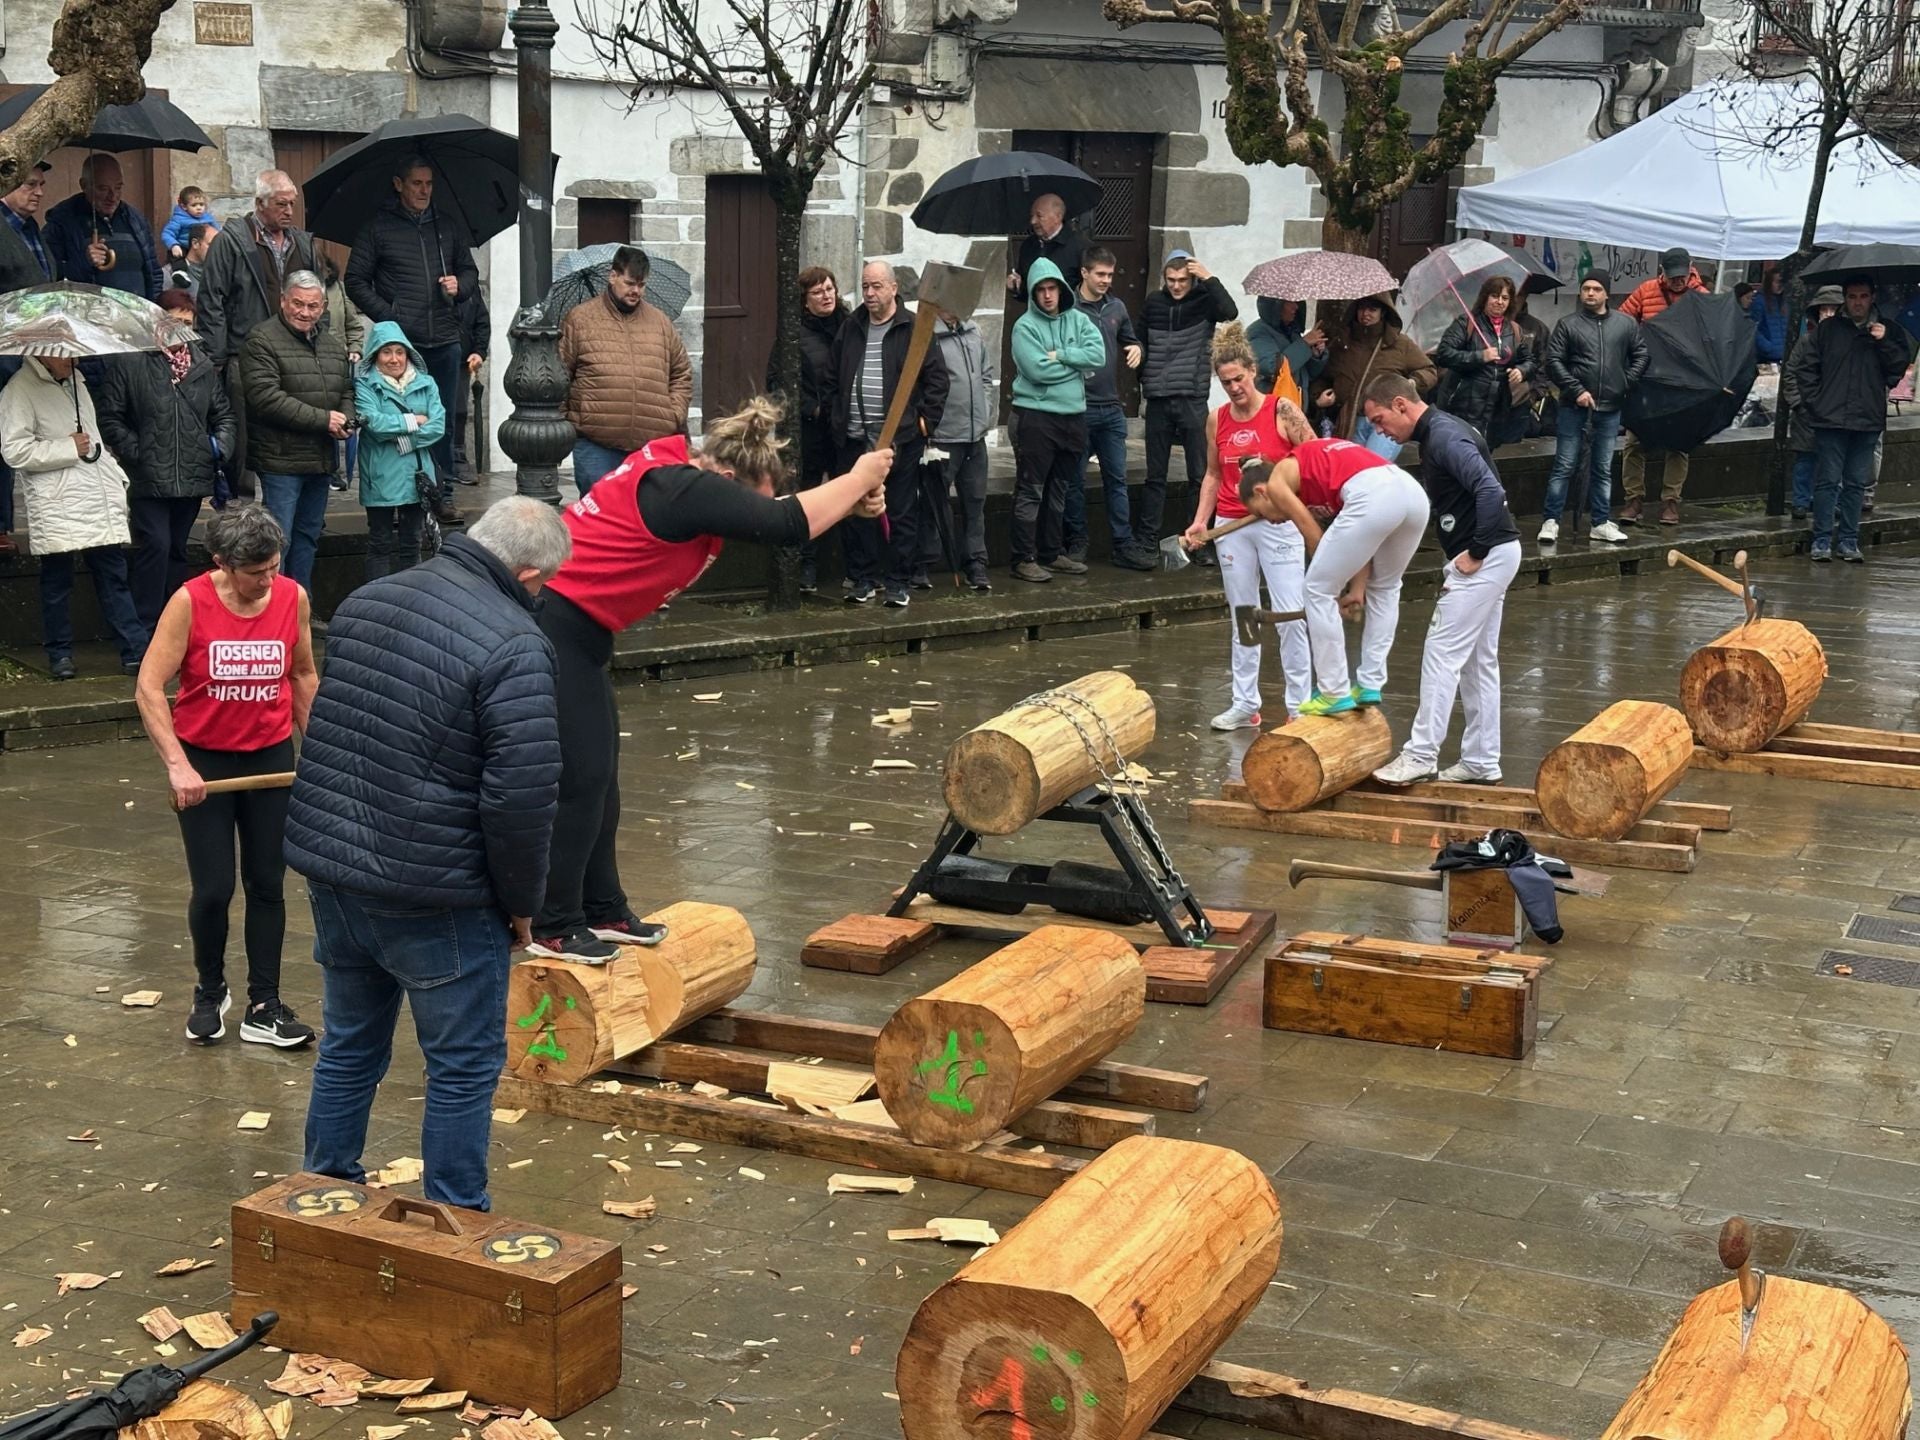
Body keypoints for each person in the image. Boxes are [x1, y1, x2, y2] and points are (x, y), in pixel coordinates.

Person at [530, 400, 894, 962]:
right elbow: (785, 525)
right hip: (550, 626)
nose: (748, 515)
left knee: (602, 780)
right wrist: (857, 478)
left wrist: (851, 505)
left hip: (581, 632)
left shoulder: (685, 475)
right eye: (751, 499)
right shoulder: (682, 487)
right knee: (581, 779)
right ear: (728, 481)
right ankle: (554, 923)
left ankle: (601, 907)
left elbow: (782, 517)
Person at [286, 496, 569, 1210]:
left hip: (337, 869)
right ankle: (455, 1220)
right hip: (437, 892)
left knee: (349, 1046)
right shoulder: (515, 642)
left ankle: (323, 1199)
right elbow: (522, 798)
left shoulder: (368, 599)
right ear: (530, 575)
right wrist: (523, 906)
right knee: (463, 1067)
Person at [133, 503, 317, 1048]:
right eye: (255, 572)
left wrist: (324, 752)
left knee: (268, 883)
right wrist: (177, 764)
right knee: (213, 889)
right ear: (223, 562)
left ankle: (265, 1003)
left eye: (273, 567)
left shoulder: (292, 597)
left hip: (269, 759)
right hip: (206, 763)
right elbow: (149, 687)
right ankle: (210, 990)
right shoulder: (189, 602)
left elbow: (303, 673)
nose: (267, 580)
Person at [1361, 374, 1524, 786]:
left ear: (1401, 404)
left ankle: (1420, 754)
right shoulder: (1444, 430)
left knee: (1441, 652)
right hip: (1498, 553)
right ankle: (1481, 759)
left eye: (1380, 420)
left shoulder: (1445, 437)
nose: (1380, 431)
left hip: (1485, 556)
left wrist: (1477, 550)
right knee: (1477, 661)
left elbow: (1490, 490)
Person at [1238, 433, 1425, 719]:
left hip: (1374, 495)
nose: (1272, 521)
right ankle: (1369, 685)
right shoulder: (1319, 476)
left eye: (1261, 514)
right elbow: (1356, 538)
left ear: (1262, 492)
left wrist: (1333, 588)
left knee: (1315, 589)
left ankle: (1333, 691)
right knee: (1385, 588)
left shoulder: (1277, 483)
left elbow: (1313, 537)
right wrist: (1357, 588)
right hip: (1411, 494)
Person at [1181, 323, 1312, 731]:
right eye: (1226, 382)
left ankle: (1299, 707)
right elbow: (1213, 475)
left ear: (1253, 372)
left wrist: (1288, 498)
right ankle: (1245, 702)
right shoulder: (1216, 419)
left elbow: (1313, 461)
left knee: (1290, 612)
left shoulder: (1282, 410)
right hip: (1232, 524)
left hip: (1278, 522)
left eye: (1239, 378)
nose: (1234, 388)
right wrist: (1201, 521)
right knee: (1244, 614)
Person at [345, 156, 479, 527]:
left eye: (429, 184)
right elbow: (355, 280)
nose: (424, 190)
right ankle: (405, 491)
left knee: (444, 420)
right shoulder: (378, 228)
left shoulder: (446, 228)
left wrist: (460, 285)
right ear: (399, 184)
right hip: (403, 345)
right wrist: (391, 316)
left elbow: (469, 271)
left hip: (445, 338)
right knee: (401, 419)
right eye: (417, 183)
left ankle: (443, 493)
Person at [0, 352, 149, 678]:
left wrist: (101, 458)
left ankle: (135, 651)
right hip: (57, 501)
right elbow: (15, 450)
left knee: (113, 577)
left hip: (92, 495)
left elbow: (89, 438)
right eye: (66, 355)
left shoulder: (76, 382)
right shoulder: (18, 389)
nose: (74, 359)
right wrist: (68, 448)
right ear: (44, 355)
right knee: (57, 582)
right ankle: (60, 654)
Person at [97, 289, 235, 631]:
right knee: (154, 545)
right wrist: (137, 452)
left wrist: (217, 447)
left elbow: (224, 415)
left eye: (188, 322)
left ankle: (176, 624)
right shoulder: (131, 362)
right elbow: (110, 417)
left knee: (176, 549)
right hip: (147, 476)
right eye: (174, 320)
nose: (181, 328)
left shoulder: (202, 364)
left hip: (190, 474)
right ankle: (145, 625)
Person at [829, 260, 947, 606]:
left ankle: (898, 582)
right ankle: (863, 579)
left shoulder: (913, 328)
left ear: (894, 288)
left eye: (877, 286)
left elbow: (937, 380)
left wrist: (923, 423)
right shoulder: (852, 326)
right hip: (854, 437)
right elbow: (833, 377)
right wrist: (836, 415)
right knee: (857, 510)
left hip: (900, 440)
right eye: (865, 286)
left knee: (899, 511)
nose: (869, 293)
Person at [199, 171, 321, 495]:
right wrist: (216, 356)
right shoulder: (232, 242)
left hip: (295, 352)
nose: (289, 211)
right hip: (245, 351)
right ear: (259, 203)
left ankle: (288, 503)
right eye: (281, 204)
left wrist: (319, 345)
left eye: (292, 204)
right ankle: (238, 507)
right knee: (241, 435)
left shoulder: (303, 244)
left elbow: (320, 299)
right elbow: (211, 300)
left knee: (292, 428)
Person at [1785, 273, 1911, 563]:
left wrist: (1884, 342)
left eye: (1863, 296)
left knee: (1856, 483)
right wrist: (1814, 404)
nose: (1858, 303)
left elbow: (1897, 370)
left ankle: (1849, 540)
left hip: (1866, 419)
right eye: (1852, 297)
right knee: (1827, 481)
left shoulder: (1887, 330)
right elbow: (1805, 368)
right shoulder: (1828, 330)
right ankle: (1821, 540)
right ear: (1845, 298)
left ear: (1872, 297)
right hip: (1831, 419)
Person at [241, 271, 353, 588]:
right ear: (283, 301)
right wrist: (324, 420)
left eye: (313, 306)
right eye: (298, 304)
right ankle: (272, 610)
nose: (305, 312)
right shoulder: (260, 340)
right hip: (281, 461)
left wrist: (346, 418)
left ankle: (300, 610)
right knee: (279, 540)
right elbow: (266, 398)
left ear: (323, 306)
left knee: (308, 537)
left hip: (320, 460)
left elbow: (346, 390)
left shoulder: (331, 345)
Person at [560, 246, 691, 494]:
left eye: (641, 285)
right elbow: (561, 374)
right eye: (630, 283)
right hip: (596, 442)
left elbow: (681, 373)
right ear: (613, 276)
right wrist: (570, 422)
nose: (636, 291)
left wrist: (673, 413)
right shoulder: (579, 319)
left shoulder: (660, 322)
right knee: (599, 519)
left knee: (647, 519)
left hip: (651, 443)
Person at [1008, 257, 1105, 585]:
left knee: (1059, 489)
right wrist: (1075, 363)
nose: (1048, 295)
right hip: (1035, 417)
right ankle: (1023, 557)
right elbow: (1036, 371)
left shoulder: (1078, 320)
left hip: (1073, 417)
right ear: (1033, 294)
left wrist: (1061, 354)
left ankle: (1051, 551)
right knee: (1031, 489)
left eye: (1052, 288)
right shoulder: (1024, 327)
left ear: (1061, 290)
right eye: (1041, 290)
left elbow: (1098, 356)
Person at [1139, 250, 1238, 557]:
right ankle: (1147, 540)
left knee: (1200, 473)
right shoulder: (1153, 303)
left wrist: (1209, 279)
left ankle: (1199, 542)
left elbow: (1229, 310)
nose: (1177, 286)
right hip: (1157, 398)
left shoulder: (1204, 301)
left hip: (1191, 398)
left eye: (1183, 280)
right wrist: (1143, 378)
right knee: (1155, 476)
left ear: (1192, 278)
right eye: (1171, 280)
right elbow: (1139, 340)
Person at [1539, 270, 1646, 545]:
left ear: (1606, 293)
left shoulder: (1625, 324)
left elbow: (1641, 354)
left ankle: (1600, 521)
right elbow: (1554, 362)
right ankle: (1551, 520)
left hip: (1610, 407)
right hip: (1573, 407)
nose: (1590, 293)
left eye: (1597, 289)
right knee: (1564, 464)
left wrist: (1625, 382)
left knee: (1602, 467)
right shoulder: (1567, 324)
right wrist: (1576, 391)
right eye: (1586, 288)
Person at [765, 265, 847, 594]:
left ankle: (858, 569)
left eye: (830, 289)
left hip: (843, 425)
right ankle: (806, 568)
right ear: (804, 300)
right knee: (808, 495)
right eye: (818, 292)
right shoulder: (793, 334)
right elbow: (776, 383)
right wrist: (810, 408)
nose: (826, 296)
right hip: (810, 430)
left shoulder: (850, 326)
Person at [1618, 247, 1709, 525]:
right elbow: (1622, 322)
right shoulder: (1645, 291)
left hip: (1683, 381)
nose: (1677, 281)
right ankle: (1634, 499)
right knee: (1634, 442)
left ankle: (1670, 502)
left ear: (1690, 269)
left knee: (1679, 444)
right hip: (1648, 378)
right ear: (1662, 273)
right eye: (1672, 277)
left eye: (1681, 276)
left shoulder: (1701, 297)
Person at [1073, 246, 1149, 570]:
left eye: (1109, 274)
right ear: (1084, 273)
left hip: (1111, 408)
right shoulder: (1069, 308)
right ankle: (1076, 543)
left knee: (1116, 479)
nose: (1106, 280)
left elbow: (1131, 339)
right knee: (1074, 481)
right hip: (1079, 407)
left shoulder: (1116, 307)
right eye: (1100, 274)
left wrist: (1136, 348)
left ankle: (1123, 544)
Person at [355, 320, 445, 581]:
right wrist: (412, 421)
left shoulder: (426, 383)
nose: (394, 359)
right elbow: (373, 423)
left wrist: (406, 441)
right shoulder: (365, 385)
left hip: (417, 474)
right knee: (379, 541)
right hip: (380, 472)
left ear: (407, 354)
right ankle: (375, 601)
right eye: (386, 352)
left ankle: (409, 600)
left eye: (399, 352)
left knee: (412, 542)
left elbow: (438, 425)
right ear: (375, 354)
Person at [0, 159, 57, 562]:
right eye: (29, 184)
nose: (38, 191)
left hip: (35, 351)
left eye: (40, 184)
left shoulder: (32, 230)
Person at [920, 307, 995, 592]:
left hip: (975, 437)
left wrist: (986, 413)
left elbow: (985, 375)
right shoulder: (927, 335)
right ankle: (924, 563)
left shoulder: (973, 331)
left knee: (976, 501)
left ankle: (976, 563)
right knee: (933, 503)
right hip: (944, 434)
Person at [1318, 292, 1436, 458]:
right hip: (1351, 419)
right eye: (1361, 308)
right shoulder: (1343, 342)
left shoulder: (1400, 344)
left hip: (1388, 420)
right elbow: (1325, 376)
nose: (1365, 314)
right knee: (1352, 471)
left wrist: (1412, 383)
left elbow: (1428, 370)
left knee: (1372, 468)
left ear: (1383, 312)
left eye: (1372, 309)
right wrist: (1320, 397)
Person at [43, 154, 162, 302]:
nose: (112, 196)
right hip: (89, 318)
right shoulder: (62, 222)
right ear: (84, 185)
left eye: (118, 187)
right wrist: (84, 262)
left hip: (137, 317)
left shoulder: (135, 220)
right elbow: (48, 276)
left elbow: (153, 272)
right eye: (103, 188)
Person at [1432, 275, 1530, 442]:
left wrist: (1521, 370)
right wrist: (1480, 356)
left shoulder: (1514, 330)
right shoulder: (1466, 323)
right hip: (1463, 405)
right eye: (1494, 296)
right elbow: (1444, 354)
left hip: (1496, 408)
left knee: (1485, 454)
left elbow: (1529, 359)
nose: (1499, 302)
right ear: (1485, 297)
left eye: (1505, 298)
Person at [1783, 285, 1843, 519]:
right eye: (1823, 309)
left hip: (1834, 411)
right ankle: (1800, 501)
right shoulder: (1807, 342)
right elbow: (1791, 373)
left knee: (1831, 462)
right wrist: (1798, 402)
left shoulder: (1847, 341)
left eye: (1833, 309)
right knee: (1805, 460)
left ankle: (1828, 501)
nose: (1827, 314)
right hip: (1807, 411)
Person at [321, 255, 367, 491]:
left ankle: (337, 472)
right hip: (310, 363)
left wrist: (355, 348)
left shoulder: (339, 289)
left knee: (341, 417)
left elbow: (353, 325)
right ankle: (327, 470)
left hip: (338, 362)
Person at [1499, 290, 1555, 446]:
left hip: (1520, 404)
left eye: (1519, 294)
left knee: (1514, 448)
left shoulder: (1537, 328)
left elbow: (1545, 367)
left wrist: (1533, 394)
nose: (1514, 300)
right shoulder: (1485, 325)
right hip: (1488, 403)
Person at [1006, 193, 1086, 302]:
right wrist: (1017, 288)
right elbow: (1027, 293)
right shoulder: (1028, 246)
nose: (1033, 221)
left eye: (1039, 216)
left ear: (1058, 217)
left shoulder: (1080, 247)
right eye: (1032, 216)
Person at [1246, 296, 1325, 400]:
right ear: (1276, 305)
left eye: (1297, 301)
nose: (1296, 307)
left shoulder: (1292, 332)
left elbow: (1305, 375)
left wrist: (1315, 354)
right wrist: (1304, 344)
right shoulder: (1258, 332)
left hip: (1294, 406)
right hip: (1272, 407)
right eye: (1290, 302)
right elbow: (1272, 368)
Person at [451, 285, 490, 485]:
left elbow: (481, 322)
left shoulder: (469, 288)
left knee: (458, 411)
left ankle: (457, 457)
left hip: (461, 359)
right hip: (430, 358)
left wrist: (479, 351)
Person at [162, 185, 220, 264]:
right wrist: (173, 245)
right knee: (177, 262)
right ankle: (178, 273)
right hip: (183, 247)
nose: (199, 208)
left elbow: (217, 230)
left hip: (201, 248)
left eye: (201, 204)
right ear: (184, 206)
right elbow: (167, 234)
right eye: (194, 205)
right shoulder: (179, 219)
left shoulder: (208, 218)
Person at [167, 222, 215, 299]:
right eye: (211, 244)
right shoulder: (171, 273)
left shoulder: (219, 274)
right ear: (195, 243)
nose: (216, 249)